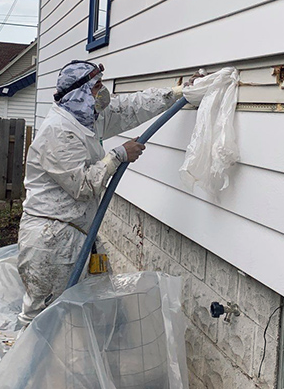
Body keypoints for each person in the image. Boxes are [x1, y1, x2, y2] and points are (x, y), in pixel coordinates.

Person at [17, 60, 189, 326]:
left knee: (72, 317)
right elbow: (83, 186)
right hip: (50, 241)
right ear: (80, 92)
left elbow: (130, 108)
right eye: (96, 86)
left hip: (74, 233)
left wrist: (177, 93)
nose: (102, 91)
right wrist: (119, 155)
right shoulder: (58, 131)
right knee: (45, 319)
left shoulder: (86, 118)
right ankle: (31, 366)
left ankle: (69, 364)